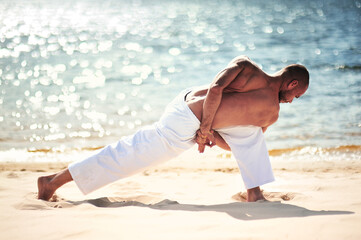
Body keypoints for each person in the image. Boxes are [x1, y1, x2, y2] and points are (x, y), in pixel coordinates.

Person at [38, 56, 309, 202]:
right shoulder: (271, 111)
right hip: (185, 124)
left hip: (184, 101)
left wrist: (209, 134)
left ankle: (254, 192)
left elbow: (216, 89)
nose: (292, 101)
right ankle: (52, 182)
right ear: (293, 83)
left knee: (249, 135)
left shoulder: (246, 65)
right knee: (128, 156)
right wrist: (205, 131)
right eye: (296, 96)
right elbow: (239, 142)